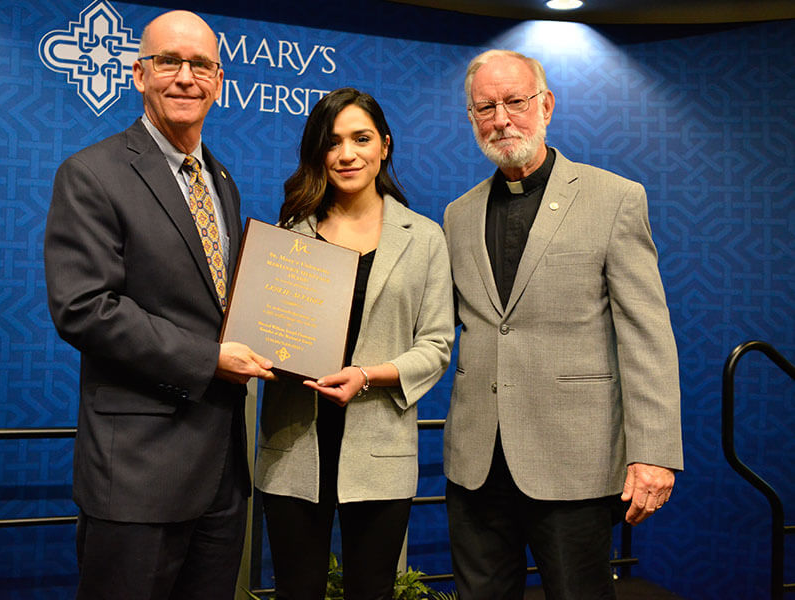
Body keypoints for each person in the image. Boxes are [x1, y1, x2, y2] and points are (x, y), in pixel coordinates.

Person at [43, 11, 275, 600]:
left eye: (201, 65)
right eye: (169, 61)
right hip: (138, 474)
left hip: (222, 471)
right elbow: (84, 307)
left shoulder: (220, 179)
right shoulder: (92, 174)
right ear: (139, 73)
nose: (185, 77)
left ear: (219, 81)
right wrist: (210, 359)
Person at [443, 49, 684, 599]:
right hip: (477, 463)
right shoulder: (457, 214)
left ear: (546, 105)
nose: (501, 118)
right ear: (472, 118)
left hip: (575, 460)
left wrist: (654, 453)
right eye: (486, 107)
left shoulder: (615, 199)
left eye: (515, 102)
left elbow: (647, 335)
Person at [254, 88, 454, 600]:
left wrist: (367, 374)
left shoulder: (424, 236)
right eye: (332, 141)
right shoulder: (289, 233)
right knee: (296, 591)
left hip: (379, 446)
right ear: (318, 152)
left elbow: (435, 346)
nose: (347, 154)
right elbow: (266, 334)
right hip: (294, 448)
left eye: (361, 139)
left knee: (372, 591)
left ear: (384, 146)